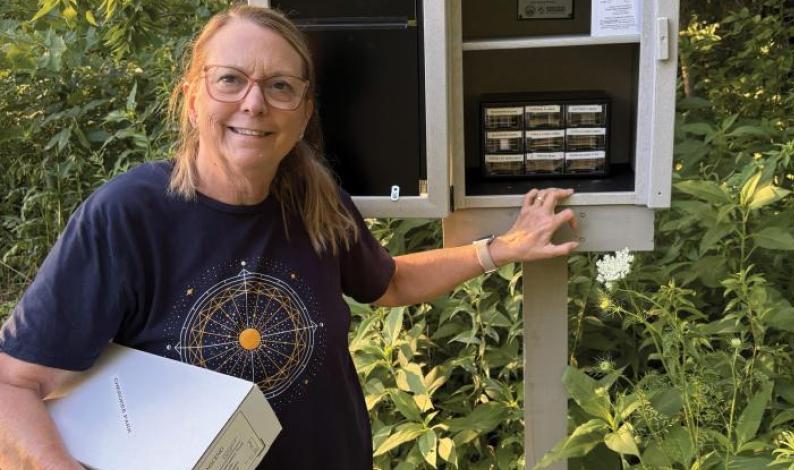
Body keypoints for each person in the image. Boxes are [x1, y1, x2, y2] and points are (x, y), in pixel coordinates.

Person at [0, 5, 578, 469]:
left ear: (302, 113)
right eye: (231, 79)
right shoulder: (129, 216)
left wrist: (501, 248)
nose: (254, 102)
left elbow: (390, 282)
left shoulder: (315, 202)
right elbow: (13, 383)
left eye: (280, 86)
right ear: (194, 95)